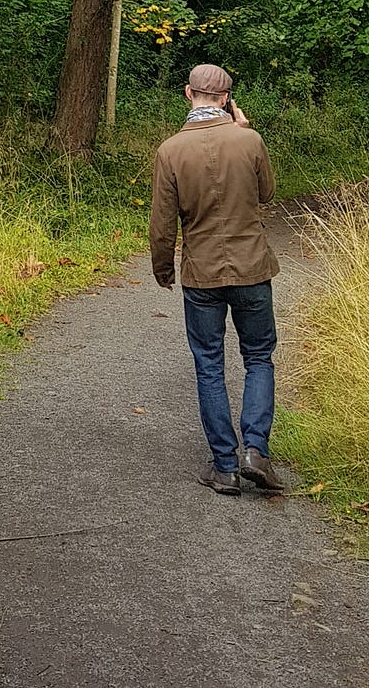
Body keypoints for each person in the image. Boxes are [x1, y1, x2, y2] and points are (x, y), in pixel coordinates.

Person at [149, 62, 283, 497]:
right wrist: (243, 129)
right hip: (252, 268)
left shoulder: (170, 151)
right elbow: (266, 194)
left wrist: (163, 268)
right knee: (258, 357)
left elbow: (162, 221)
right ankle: (255, 451)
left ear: (189, 94)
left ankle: (224, 467)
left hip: (202, 272)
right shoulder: (250, 140)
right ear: (226, 98)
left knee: (209, 365)